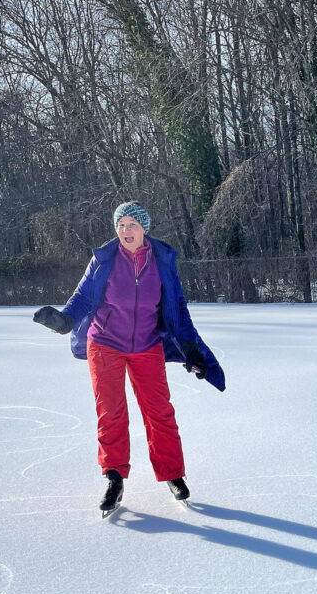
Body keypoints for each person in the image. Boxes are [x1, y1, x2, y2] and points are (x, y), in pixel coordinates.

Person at [33, 201, 225, 514]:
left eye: (131, 225)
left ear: (144, 229)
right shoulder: (104, 260)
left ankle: (173, 474)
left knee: (159, 409)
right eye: (120, 225)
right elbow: (82, 296)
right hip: (105, 344)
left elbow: (176, 307)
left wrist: (189, 347)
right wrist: (66, 320)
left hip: (147, 345)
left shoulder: (161, 260)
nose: (125, 231)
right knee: (111, 412)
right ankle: (114, 477)